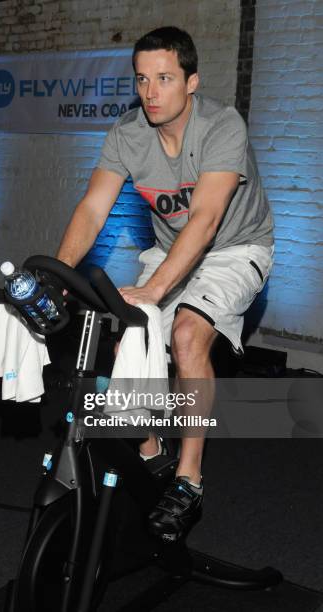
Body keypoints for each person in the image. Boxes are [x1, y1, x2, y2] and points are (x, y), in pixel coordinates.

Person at [56, 26, 274, 541]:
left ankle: (189, 478)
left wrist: (156, 293)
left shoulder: (223, 125)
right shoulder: (127, 133)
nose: (151, 92)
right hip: (171, 250)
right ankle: (152, 450)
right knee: (126, 341)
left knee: (186, 335)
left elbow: (204, 220)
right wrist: (60, 272)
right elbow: (92, 207)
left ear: (191, 82)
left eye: (164, 78)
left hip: (235, 249)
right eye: (142, 79)